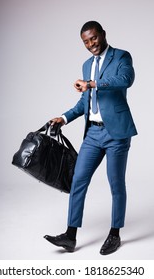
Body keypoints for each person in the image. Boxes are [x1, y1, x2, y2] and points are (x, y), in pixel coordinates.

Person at [44, 21, 137, 255]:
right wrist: (64, 118)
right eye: (86, 41)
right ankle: (70, 235)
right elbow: (84, 102)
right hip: (93, 133)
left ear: (103, 35)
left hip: (116, 133)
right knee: (78, 180)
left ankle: (115, 234)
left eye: (93, 38)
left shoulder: (121, 57)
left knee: (116, 184)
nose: (90, 44)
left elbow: (125, 80)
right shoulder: (87, 65)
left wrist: (93, 83)